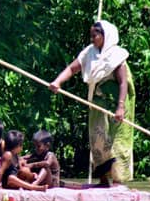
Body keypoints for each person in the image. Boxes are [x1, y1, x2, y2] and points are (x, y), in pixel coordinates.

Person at [49, 20, 135, 186]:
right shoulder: (89, 52)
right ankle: (103, 181)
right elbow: (72, 68)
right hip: (99, 103)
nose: (92, 39)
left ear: (105, 36)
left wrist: (120, 106)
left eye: (95, 35)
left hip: (118, 103)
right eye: (91, 35)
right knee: (98, 140)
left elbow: (123, 83)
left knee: (118, 143)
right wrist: (57, 82)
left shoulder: (117, 55)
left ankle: (118, 183)